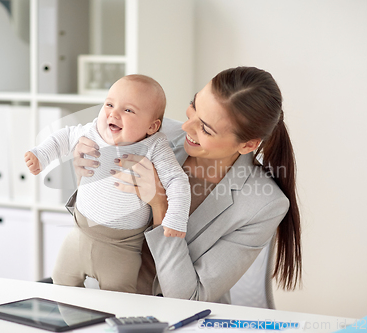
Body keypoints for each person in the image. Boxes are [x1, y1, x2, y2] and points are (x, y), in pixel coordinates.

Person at [71, 67, 302, 303]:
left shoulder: (263, 204)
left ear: (248, 145)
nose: (185, 127)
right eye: (193, 108)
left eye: (205, 128)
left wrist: (160, 204)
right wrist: (85, 169)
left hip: (176, 318)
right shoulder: (150, 132)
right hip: (102, 295)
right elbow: (92, 219)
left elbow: (189, 297)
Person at [24, 74, 191, 293]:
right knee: (61, 282)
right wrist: (41, 155)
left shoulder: (155, 146)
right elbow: (62, 138)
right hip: (80, 233)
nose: (113, 113)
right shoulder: (92, 131)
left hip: (122, 247)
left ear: (152, 126)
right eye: (109, 104)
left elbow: (177, 181)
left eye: (128, 110)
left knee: (119, 296)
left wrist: (176, 218)